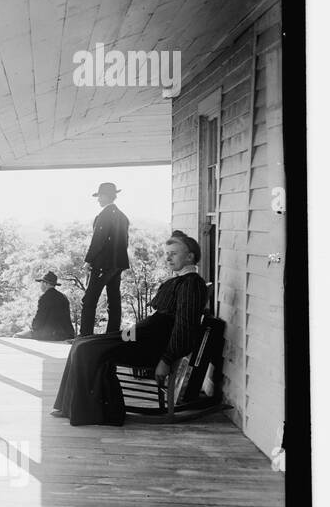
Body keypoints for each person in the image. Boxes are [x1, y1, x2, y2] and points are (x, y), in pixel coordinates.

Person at [50, 231, 209, 426]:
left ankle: (87, 412)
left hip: (149, 344)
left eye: (174, 253)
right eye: (167, 253)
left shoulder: (192, 284)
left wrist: (166, 360)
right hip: (139, 335)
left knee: (86, 349)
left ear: (190, 256)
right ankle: (69, 407)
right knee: (82, 342)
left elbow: (185, 327)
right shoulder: (179, 280)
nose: (168, 257)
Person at [80, 181, 131, 335]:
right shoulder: (123, 217)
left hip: (103, 264)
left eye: (100, 196)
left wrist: (88, 260)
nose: (98, 200)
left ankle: (85, 336)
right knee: (114, 301)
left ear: (106, 196)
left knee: (89, 301)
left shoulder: (104, 215)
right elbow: (125, 242)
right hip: (118, 264)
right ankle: (112, 335)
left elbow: (98, 240)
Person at [17, 272, 75, 341]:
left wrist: (33, 326)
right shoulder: (63, 297)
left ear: (46, 283)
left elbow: (39, 319)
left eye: (41, 283)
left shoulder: (44, 298)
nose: (40, 285)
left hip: (50, 335)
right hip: (67, 334)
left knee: (17, 336)